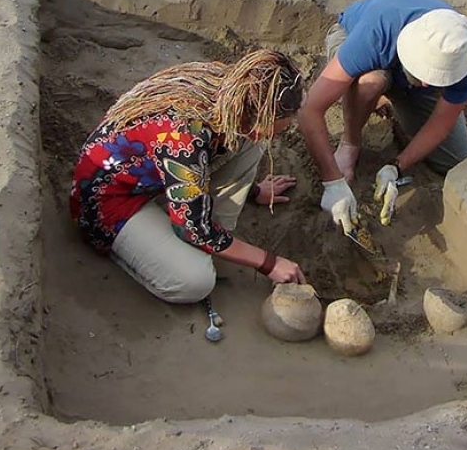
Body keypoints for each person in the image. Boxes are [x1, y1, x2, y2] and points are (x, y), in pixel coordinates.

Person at [70, 49, 307, 304]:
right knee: (195, 281)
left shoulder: (233, 90)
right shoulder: (185, 136)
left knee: (250, 142)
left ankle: (216, 236)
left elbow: (208, 154)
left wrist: (254, 191)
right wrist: (269, 263)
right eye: (280, 124)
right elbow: (193, 229)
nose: (283, 130)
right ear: (258, 114)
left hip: (151, 173)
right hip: (108, 201)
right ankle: (156, 253)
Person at [297, 0, 467, 231]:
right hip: (354, 38)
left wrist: (396, 167)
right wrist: (332, 182)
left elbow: (441, 124)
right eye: (427, 72)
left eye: (439, 77)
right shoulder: (377, 33)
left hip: (404, 75)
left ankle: (389, 95)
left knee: (454, 161)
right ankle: (350, 144)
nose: (429, 84)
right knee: (371, 83)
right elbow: (309, 109)